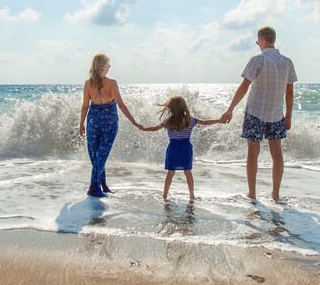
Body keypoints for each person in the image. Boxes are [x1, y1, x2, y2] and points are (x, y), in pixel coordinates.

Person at [220, 26, 297, 201]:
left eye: (257, 42)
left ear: (261, 40)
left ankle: (252, 194)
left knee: (252, 153)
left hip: (255, 113)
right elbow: (290, 93)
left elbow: (244, 87)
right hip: (277, 115)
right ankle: (275, 195)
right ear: (274, 40)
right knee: (277, 154)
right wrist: (289, 116)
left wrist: (230, 109)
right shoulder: (287, 62)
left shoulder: (257, 60)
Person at [79, 54, 139, 197]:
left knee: (97, 155)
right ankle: (94, 187)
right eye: (109, 66)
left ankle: (102, 185)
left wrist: (81, 123)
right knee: (100, 155)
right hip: (109, 121)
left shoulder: (88, 83)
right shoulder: (112, 83)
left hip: (93, 120)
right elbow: (121, 104)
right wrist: (134, 121)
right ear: (105, 68)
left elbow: (85, 106)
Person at [140, 95, 222, 200]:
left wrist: (143, 128)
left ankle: (165, 195)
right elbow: (206, 122)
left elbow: (155, 128)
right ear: (184, 107)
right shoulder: (190, 120)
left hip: (173, 148)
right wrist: (219, 120)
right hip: (185, 148)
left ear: (170, 108)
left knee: (170, 172)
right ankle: (192, 195)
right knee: (188, 172)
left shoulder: (168, 121)